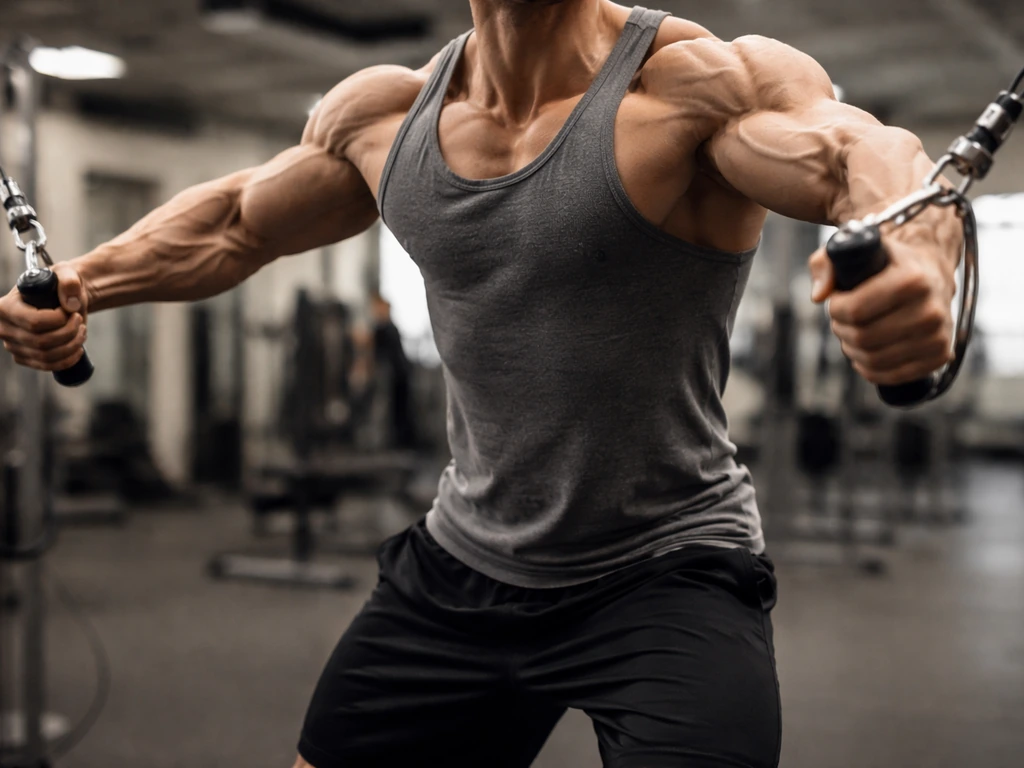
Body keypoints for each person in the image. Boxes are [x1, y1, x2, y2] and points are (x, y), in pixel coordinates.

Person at [0, 2, 962, 766]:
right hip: (463, 564)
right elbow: (237, 220)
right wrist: (87, 279)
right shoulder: (385, 111)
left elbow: (859, 157)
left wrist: (919, 265)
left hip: (666, 568)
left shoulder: (695, 83)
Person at [368, 292, 418, 449]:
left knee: (395, 411)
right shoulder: (386, 328)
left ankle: (396, 444)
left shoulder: (386, 328)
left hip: (396, 376)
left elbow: (383, 355)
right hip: (396, 375)